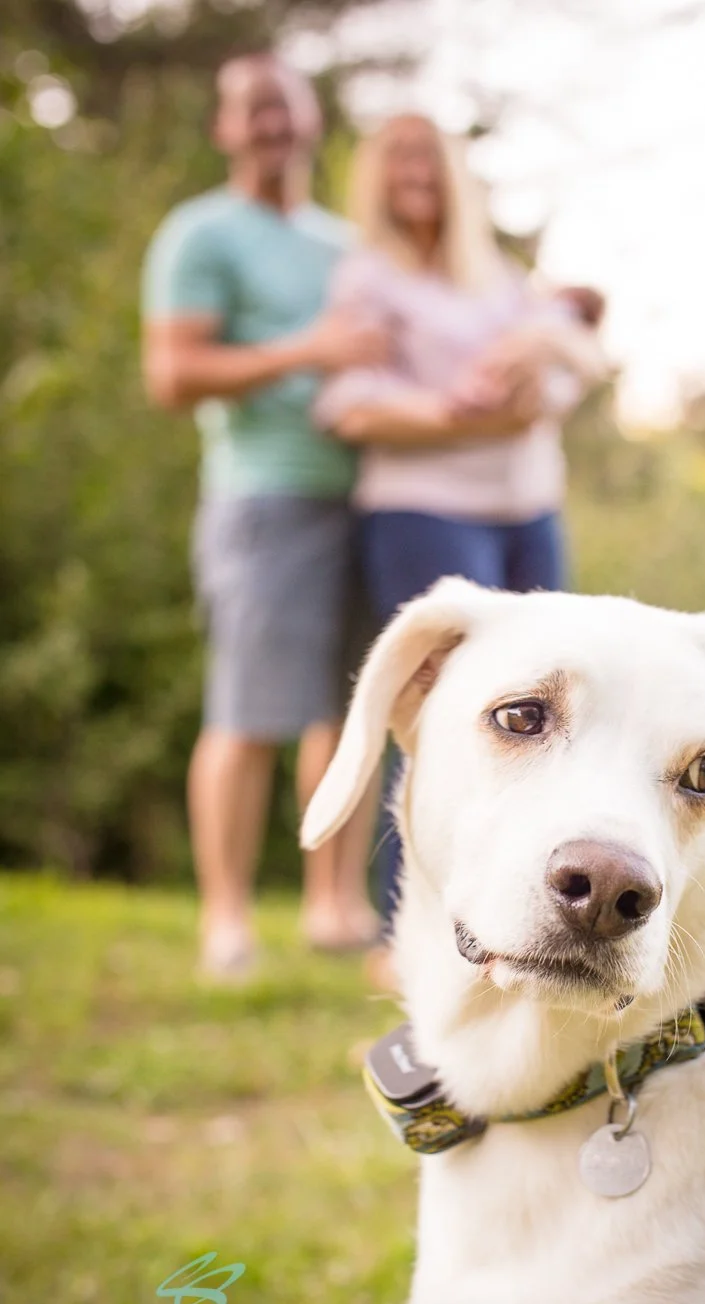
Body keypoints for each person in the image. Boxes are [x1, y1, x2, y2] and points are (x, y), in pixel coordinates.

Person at [312, 112, 607, 964]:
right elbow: (347, 406)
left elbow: (578, 367)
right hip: (423, 508)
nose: (414, 172)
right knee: (442, 714)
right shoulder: (368, 278)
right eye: (396, 158)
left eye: (426, 157)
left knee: (548, 712)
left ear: (449, 172)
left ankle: (522, 913)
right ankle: (403, 928)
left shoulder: (500, 279)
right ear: (376, 176)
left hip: (528, 509)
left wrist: (538, 356)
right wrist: (456, 413)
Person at [141, 54, 387, 977]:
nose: (271, 123)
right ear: (224, 129)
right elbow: (173, 374)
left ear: (313, 119)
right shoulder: (200, 233)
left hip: (364, 495)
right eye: (252, 109)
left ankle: (334, 907)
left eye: (284, 105)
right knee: (247, 714)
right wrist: (306, 351)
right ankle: (227, 919)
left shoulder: (345, 244)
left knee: (345, 712)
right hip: (263, 497)